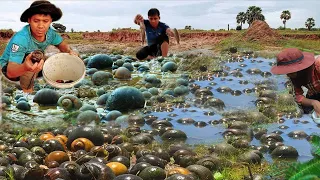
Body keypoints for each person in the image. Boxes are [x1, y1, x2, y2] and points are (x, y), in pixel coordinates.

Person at [0, 0, 78, 92]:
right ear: (29, 20)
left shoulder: (51, 34)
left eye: (45, 21)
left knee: (59, 59)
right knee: (34, 61)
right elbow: (10, 72)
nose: (41, 26)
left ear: (50, 21)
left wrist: (70, 52)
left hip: (34, 61)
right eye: (36, 21)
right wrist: (25, 67)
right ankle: (28, 92)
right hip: (10, 68)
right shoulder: (21, 38)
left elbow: (63, 46)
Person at [271, 48, 320, 114]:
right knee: (307, 110)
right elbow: (298, 96)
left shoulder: (318, 65)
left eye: (291, 72)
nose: (288, 75)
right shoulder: (293, 76)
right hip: (315, 93)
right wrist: (313, 102)